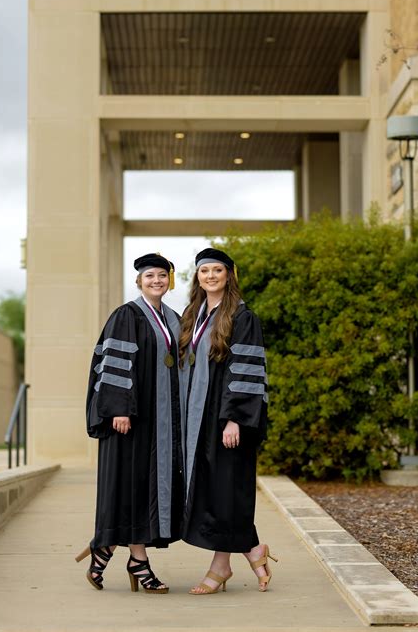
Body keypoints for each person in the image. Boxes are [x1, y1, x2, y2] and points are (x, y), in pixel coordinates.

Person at [76, 253, 184, 594]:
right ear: (139, 281)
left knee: (143, 491)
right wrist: (118, 408)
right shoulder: (127, 315)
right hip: (130, 420)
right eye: (149, 276)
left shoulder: (173, 318)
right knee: (125, 487)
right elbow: (114, 363)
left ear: (170, 280)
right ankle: (123, 556)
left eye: (162, 276)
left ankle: (119, 555)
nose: (156, 281)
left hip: (159, 425)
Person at [178, 247, 277, 595]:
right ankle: (246, 554)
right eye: (204, 271)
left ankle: (228, 563)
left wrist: (234, 418)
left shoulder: (242, 316)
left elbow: (246, 370)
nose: (210, 276)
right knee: (215, 489)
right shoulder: (195, 314)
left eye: (217, 270)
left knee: (228, 487)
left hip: (227, 417)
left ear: (229, 275)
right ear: (198, 278)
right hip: (200, 419)